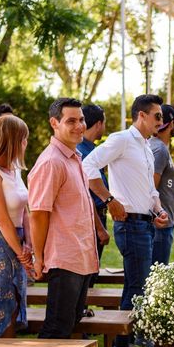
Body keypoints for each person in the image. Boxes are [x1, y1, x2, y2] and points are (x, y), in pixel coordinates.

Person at [83, 94, 168, 347]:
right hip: (129, 225)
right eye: (157, 116)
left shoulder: (145, 146)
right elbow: (88, 165)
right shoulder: (121, 139)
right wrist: (108, 200)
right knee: (135, 288)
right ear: (141, 116)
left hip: (145, 223)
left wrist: (158, 210)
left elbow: (148, 189)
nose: (161, 121)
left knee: (136, 287)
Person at [28, 98, 102, 347]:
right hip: (63, 257)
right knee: (57, 323)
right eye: (71, 120)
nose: (79, 125)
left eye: (81, 119)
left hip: (81, 255)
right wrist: (40, 256)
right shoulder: (51, 162)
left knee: (70, 321)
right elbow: (39, 212)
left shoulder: (74, 158)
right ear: (54, 123)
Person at [0, 115, 33, 338]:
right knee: (1, 301)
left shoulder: (16, 170)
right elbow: (2, 220)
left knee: (16, 301)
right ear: (13, 140)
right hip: (0, 244)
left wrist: (29, 243)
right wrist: (22, 255)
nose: (26, 143)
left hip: (18, 242)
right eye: (24, 138)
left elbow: (25, 210)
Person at [76, 104, 110, 283]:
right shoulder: (81, 152)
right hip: (92, 218)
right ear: (98, 124)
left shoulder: (91, 148)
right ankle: (83, 307)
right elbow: (85, 194)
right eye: (104, 123)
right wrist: (100, 228)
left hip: (99, 216)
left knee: (92, 271)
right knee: (87, 272)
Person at [149, 104, 174, 265]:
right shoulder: (159, 149)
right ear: (172, 122)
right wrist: (158, 215)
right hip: (160, 224)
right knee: (157, 277)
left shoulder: (159, 147)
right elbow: (151, 186)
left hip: (164, 221)